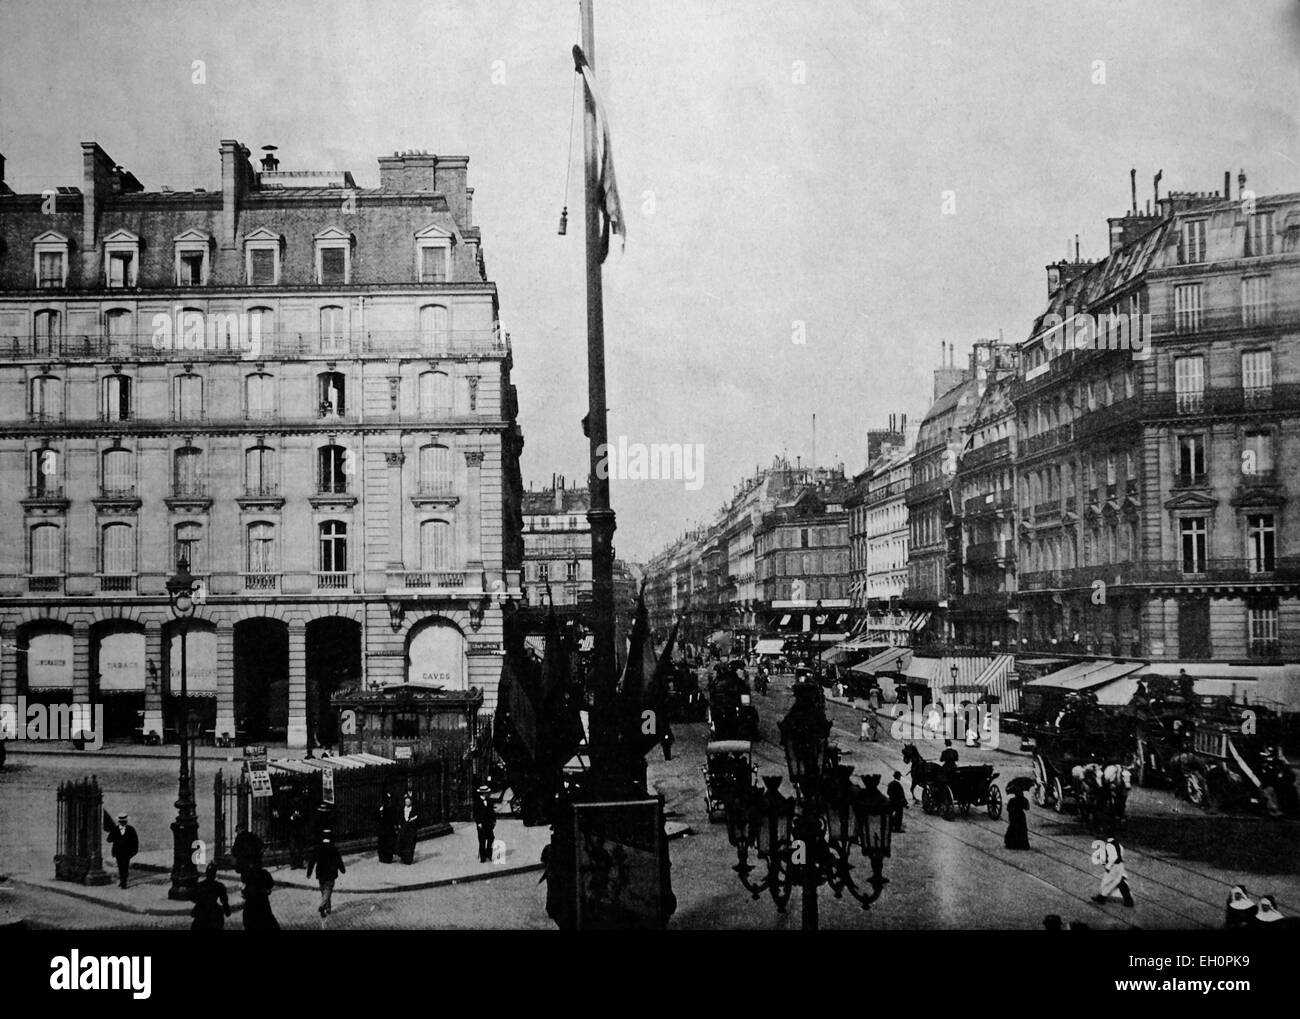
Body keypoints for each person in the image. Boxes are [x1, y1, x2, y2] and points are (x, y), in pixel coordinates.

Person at [306, 829, 346, 918]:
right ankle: (322, 905)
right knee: (328, 890)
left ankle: (328, 909)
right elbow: (339, 860)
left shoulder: (317, 848)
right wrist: (342, 870)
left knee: (323, 891)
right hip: (330, 873)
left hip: (320, 873)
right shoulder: (333, 848)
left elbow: (312, 861)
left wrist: (309, 873)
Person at [1093, 836, 1135, 907]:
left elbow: (1113, 858)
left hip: (1114, 866)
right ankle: (1128, 901)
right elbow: (1121, 855)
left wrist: (1108, 866)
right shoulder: (1119, 845)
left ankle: (1102, 897)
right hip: (1120, 865)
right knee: (1119, 882)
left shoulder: (1109, 845)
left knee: (1112, 882)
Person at [191, 862, 231, 931]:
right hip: (210, 912)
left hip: (203, 911)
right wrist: (227, 910)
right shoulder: (219, 886)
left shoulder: (200, 886)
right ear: (215, 874)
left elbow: (194, 898)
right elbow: (224, 902)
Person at [240, 865, 280, 931]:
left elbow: (243, 888)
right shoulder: (264, 873)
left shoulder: (246, 873)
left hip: (251, 905)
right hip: (262, 904)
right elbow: (270, 884)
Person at [106, 813, 139, 889]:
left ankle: (124, 883)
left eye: (124, 821)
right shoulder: (115, 829)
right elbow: (109, 840)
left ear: (126, 821)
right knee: (121, 867)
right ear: (119, 822)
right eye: (121, 821)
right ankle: (122, 881)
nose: (123, 823)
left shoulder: (131, 829)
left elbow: (135, 841)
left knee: (125, 867)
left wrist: (134, 851)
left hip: (127, 852)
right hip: (118, 852)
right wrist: (113, 836)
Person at [473, 784, 497, 863]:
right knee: (482, 840)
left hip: (489, 823)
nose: (487, 793)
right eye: (486, 792)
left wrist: (494, 821)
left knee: (491, 838)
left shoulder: (489, 801)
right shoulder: (477, 802)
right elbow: (475, 814)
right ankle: (482, 857)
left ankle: (489, 854)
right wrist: (478, 823)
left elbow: (492, 812)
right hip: (481, 824)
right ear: (483, 793)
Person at [397, 792, 419, 865]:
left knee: (410, 844)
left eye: (409, 801)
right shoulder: (402, 809)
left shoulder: (414, 809)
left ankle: (409, 860)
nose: (407, 802)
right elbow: (400, 818)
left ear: (411, 801)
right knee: (404, 843)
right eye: (406, 801)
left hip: (411, 829)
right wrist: (400, 825)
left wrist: (412, 820)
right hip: (404, 828)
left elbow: (417, 818)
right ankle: (404, 857)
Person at [377, 791, 397, 864]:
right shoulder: (381, 808)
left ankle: (388, 858)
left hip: (388, 828)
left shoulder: (390, 807)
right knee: (382, 842)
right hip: (382, 829)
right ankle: (383, 857)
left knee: (388, 843)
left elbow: (392, 817)